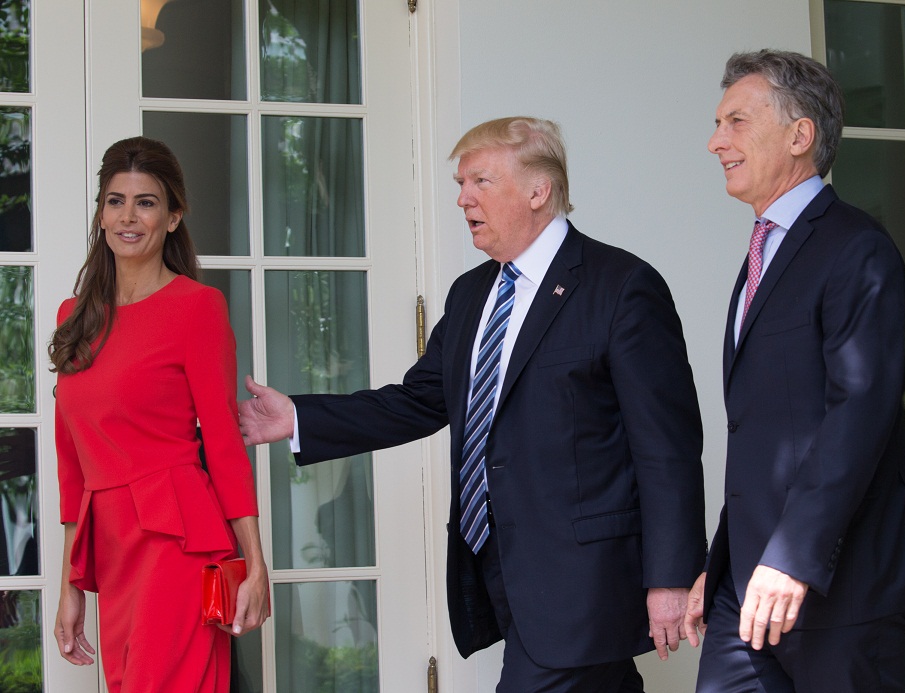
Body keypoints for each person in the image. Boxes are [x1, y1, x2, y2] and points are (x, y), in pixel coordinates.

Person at [240, 116, 706, 692]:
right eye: (461, 184)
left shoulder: (622, 287)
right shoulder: (471, 295)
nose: (463, 200)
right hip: (500, 572)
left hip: (583, 580)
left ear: (539, 191)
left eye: (480, 182)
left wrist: (672, 577)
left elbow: (668, 448)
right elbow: (418, 402)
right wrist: (298, 419)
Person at [683, 50, 905, 692]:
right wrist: (721, 565)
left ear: (801, 136)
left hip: (840, 593)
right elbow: (763, 432)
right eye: (718, 124)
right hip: (746, 590)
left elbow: (859, 412)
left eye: (736, 122)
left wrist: (792, 560)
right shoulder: (761, 253)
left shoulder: (857, 249)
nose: (716, 142)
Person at [50, 136, 270, 692]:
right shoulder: (74, 316)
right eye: (115, 200)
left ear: (173, 217)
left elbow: (221, 442)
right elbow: (71, 461)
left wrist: (255, 561)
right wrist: (69, 584)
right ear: (100, 213)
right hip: (111, 551)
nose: (129, 217)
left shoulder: (196, 308)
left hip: (175, 544)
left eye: (146, 202)